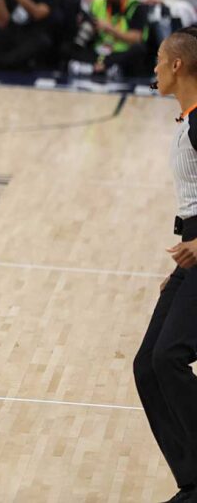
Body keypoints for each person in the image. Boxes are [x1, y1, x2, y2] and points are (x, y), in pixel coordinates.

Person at [136, 27, 197, 503]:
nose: (154, 67)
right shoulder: (187, 120)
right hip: (190, 255)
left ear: (177, 65)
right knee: (146, 366)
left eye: (159, 59)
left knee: (168, 358)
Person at [65, 0, 149, 78]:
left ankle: (96, 67)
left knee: (138, 50)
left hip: (121, 50)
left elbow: (136, 38)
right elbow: (91, 25)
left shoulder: (135, 6)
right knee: (69, 45)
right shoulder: (99, 2)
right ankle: (102, 67)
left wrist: (110, 29)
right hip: (100, 48)